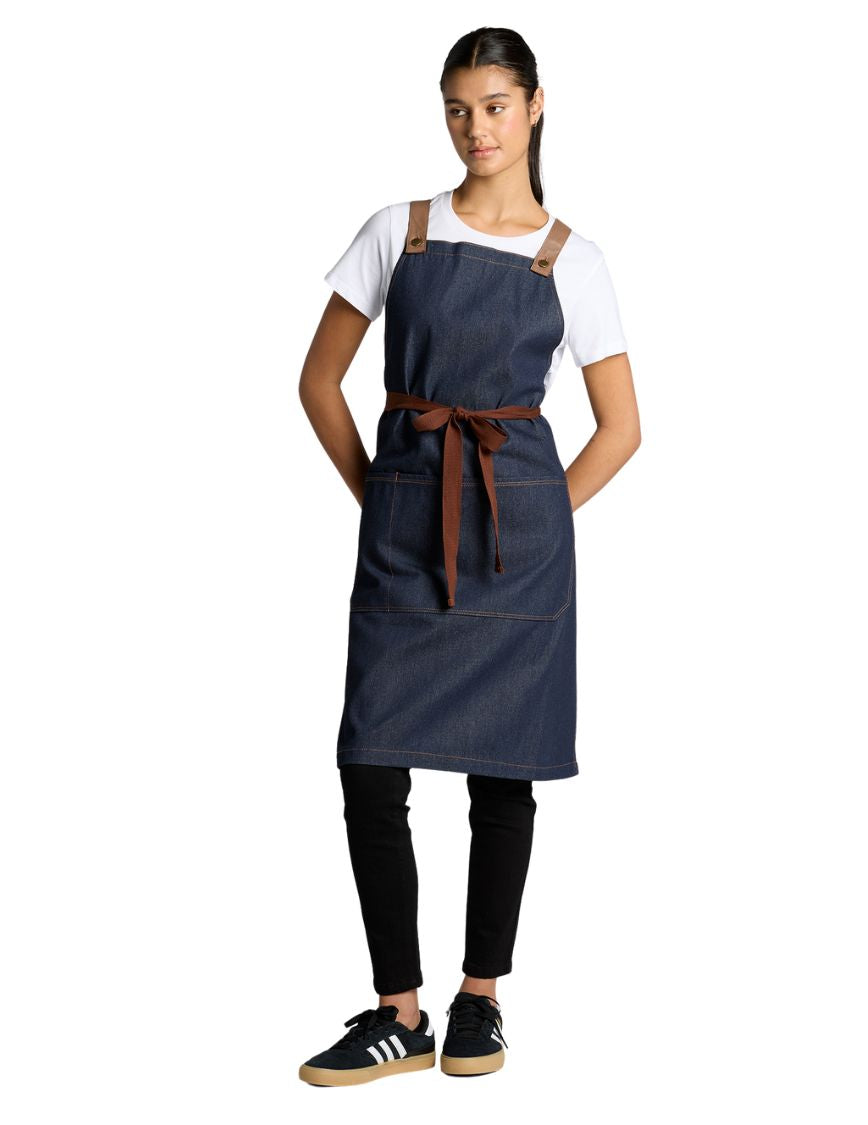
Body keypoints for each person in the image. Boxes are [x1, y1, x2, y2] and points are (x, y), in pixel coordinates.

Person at [297, 26, 641, 1086]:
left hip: (516, 548)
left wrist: (537, 523)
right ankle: (397, 1012)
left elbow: (622, 428)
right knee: (369, 764)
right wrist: (383, 497)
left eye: (494, 105)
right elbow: (318, 382)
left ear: (534, 106)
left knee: (504, 773)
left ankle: (479, 1000)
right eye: (457, 108)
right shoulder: (396, 232)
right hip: (404, 533)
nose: (475, 128)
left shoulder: (573, 259)